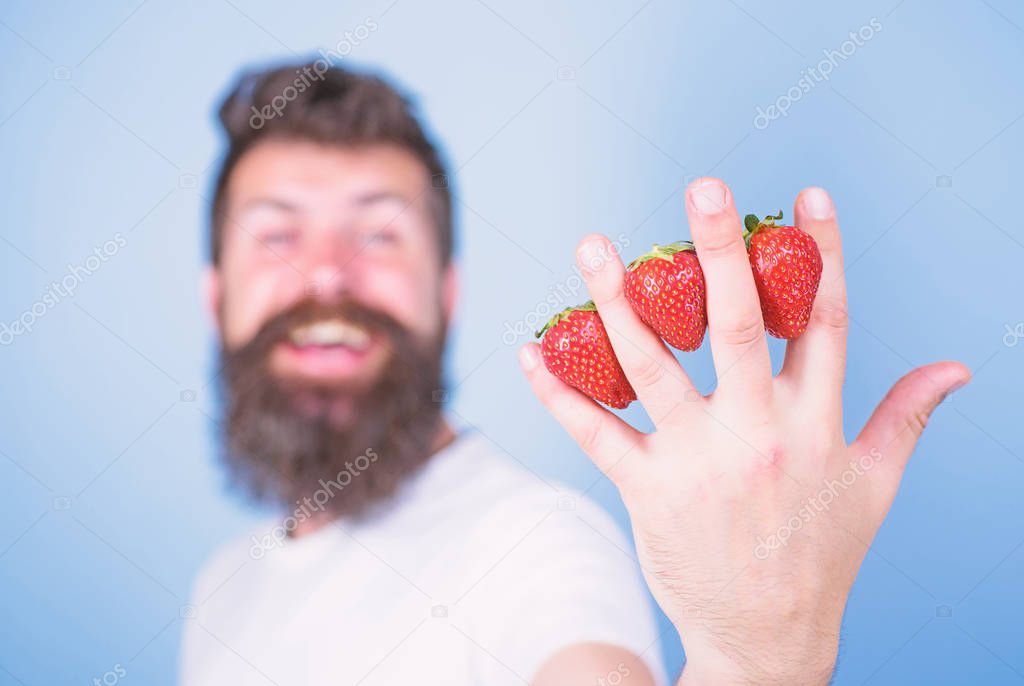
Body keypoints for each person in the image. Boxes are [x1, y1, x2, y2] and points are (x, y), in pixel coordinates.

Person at [181, 60, 969, 686]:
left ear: (447, 293)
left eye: (380, 235)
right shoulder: (222, 590)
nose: (327, 277)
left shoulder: (538, 549)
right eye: (276, 237)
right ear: (217, 298)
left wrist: (760, 659)